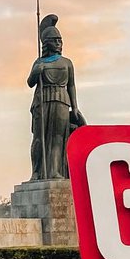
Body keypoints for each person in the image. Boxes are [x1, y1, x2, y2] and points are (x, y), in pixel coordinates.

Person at [28, 15, 84, 179]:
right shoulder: (39, 62)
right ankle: (36, 172)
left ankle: (54, 170)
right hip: (42, 101)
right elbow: (30, 82)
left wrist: (75, 107)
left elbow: (71, 85)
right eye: (55, 40)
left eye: (60, 40)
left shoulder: (67, 62)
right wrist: (36, 72)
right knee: (39, 138)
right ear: (47, 43)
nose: (59, 43)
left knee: (58, 138)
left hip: (61, 101)